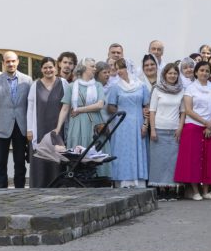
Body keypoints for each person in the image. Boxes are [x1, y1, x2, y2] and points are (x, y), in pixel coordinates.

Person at [175, 61, 211, 200]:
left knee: (210, 159)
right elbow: (189, 110)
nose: (204, 73)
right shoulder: (190, 88)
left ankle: (206, 190)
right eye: (201, 70)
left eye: (207, 70)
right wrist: (206, 123)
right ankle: (195, 191)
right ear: (196, 72)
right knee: (193, 160)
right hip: (194, 127)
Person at [0, 51, 32, 189]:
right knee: (0, 162)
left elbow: (31, 107)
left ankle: (19, 189)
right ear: (3, 63)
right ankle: (2, 190)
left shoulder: (27, 80)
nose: (11, 64)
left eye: (13, 61)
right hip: (1, 128)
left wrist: (30, 128)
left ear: (17, 61)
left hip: (20, 126)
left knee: (19, 162)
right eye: (7, 61)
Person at [106, 59, 150, 188]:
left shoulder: (141, 86)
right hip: (121, 124)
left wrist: (145, 124)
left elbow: (147, 107)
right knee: (122, 151)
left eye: (121, 68)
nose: (119, 71)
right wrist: (120, 111)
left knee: (137, 150)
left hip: (138, 122)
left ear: (129, 68)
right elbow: (110, 106)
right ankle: (123, 182)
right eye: (117, 68)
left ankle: (139, 182)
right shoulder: (115, 86)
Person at [25, 57, 66, 188]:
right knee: (40, 159)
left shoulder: (63, 83)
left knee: (57, 158)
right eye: (45, 67)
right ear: (41, 69)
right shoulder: (35, 85)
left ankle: (58, 186)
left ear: (56, 68)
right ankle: (39, 185)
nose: (48, 70)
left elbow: (67, 106)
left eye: (50, 67)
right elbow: (30, 109)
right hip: (40, 128)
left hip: (58, 129)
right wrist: (29, 129)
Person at [149, 63, 184, 201]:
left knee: (172, 162)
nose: (172, 76)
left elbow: (183, 112)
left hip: (174, 131)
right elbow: (152, 111)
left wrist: (180, 128)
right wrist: (152, 129)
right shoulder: (157, 89)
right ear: (164, 74)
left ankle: (171, 189)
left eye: (175, 73)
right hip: (159, 129)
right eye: (169, 73)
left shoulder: (181, 90)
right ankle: (160, 190)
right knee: (158, 162)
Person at [57, 64, 105, 152]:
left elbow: (100, 105)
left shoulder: (98, 85)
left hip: (95, 123)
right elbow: (64, 109)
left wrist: (78, 110)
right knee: (77, 151)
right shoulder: (71, 86)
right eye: (92, 66)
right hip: (77, 124)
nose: (95, 68)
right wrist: (58, 128)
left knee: (96, 150)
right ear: (84, 68)